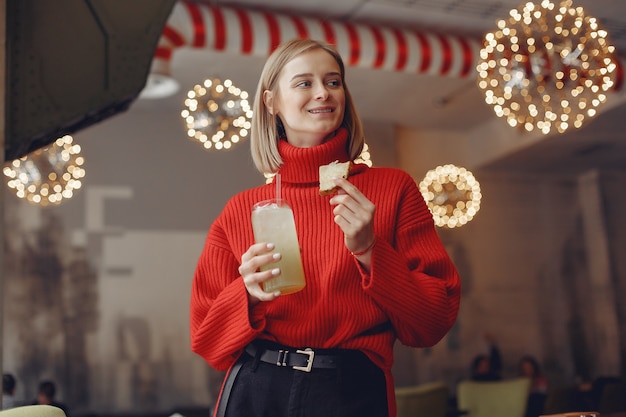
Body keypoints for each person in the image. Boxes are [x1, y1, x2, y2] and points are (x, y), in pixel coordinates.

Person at [190, 38, 461, 417]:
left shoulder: (393, 189)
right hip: (256, 388)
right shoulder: (240, 210)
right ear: (271, 102)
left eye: (333, 82)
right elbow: (207, 342)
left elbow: (432, 323)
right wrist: (247, 294)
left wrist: (371, 251)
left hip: (351, 389)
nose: (323, 93)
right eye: (304, 83)